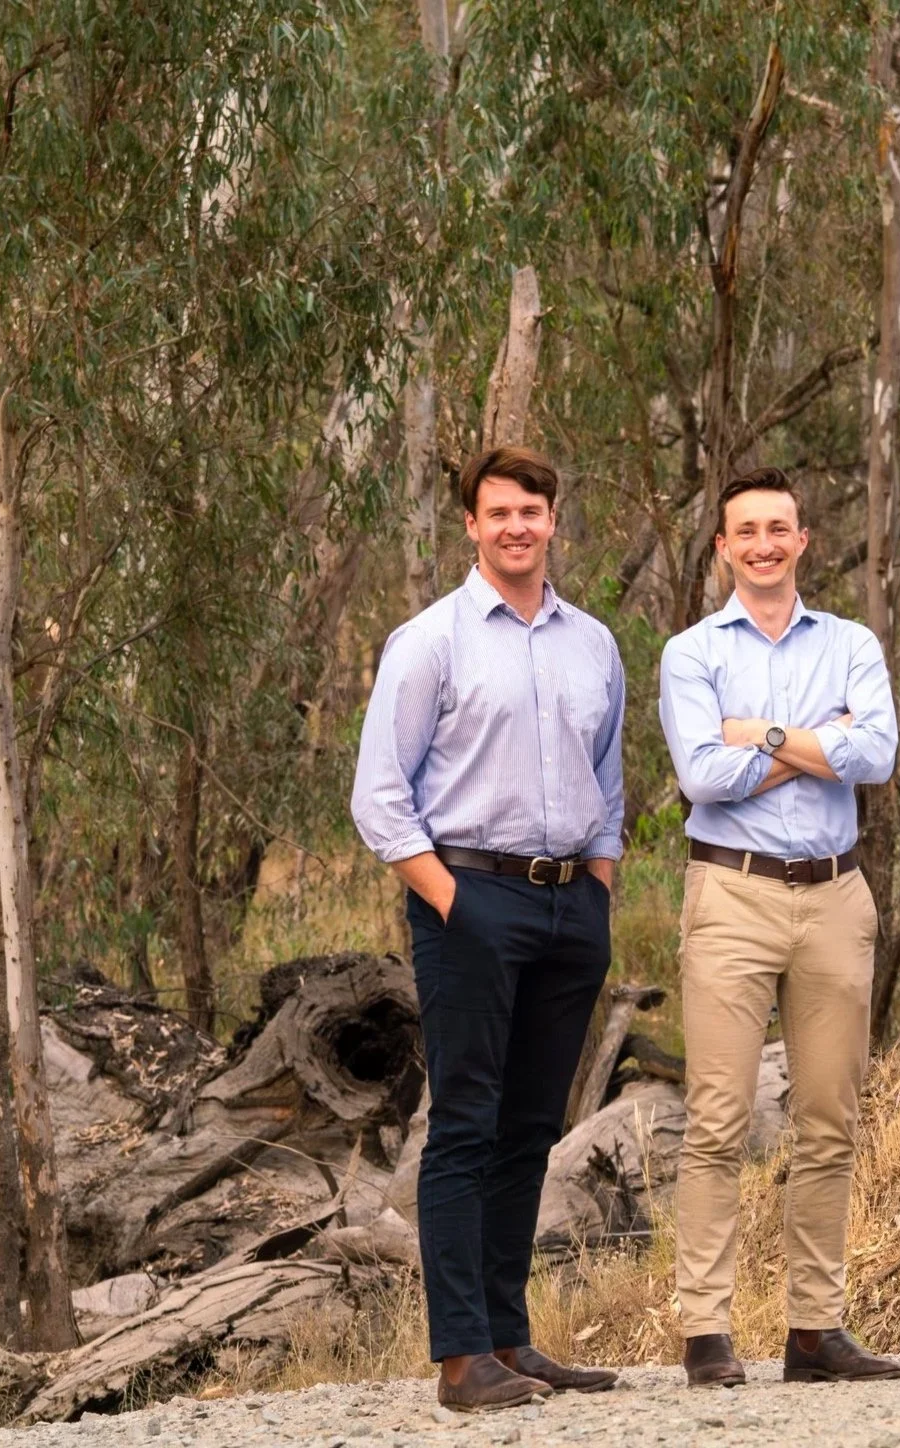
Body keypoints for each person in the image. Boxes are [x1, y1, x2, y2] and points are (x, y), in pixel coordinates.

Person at [350, 446, 626, 1411]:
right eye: (498, 512)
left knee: (531, 1128)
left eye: (531, 511)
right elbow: (379, 796)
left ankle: (511, 1339)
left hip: (569, 904)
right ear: (471, 524)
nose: (517, 526)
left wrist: (597, 891)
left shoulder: (592, 644)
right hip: (468, 896)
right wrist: (451, 901)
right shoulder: (429, 641)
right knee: (466, 1124)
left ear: (553, 520)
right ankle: (462, 1357)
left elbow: (607, 781)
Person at [658, 467, 900, 1387]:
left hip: (835, 898)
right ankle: (706, 1332)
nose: (763, 544)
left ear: (803, 540)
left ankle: (815, 1331)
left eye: (779, 529)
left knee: (829, 1120)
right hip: (732, 895)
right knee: (717, 1120)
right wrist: (812, 744)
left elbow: (874, 754)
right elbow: (700, 777)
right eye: (746, 531)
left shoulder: (849, 642)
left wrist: (757, 733)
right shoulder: (691, 653)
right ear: (724, 547)